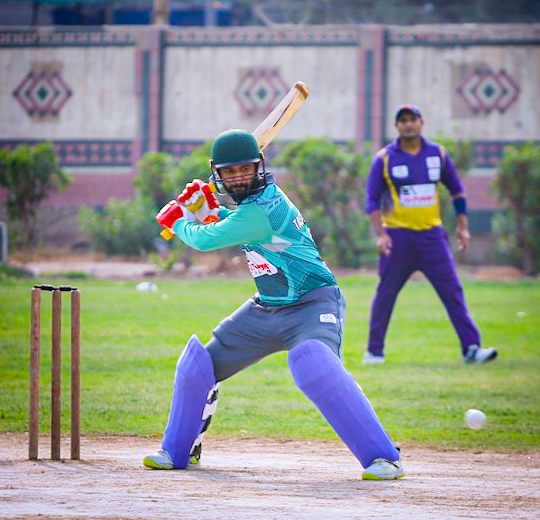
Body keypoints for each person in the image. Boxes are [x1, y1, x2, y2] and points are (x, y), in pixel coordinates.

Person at [144, 129, 405, 481]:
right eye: (230, 171)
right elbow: (234, 224)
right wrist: (211, 211)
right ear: (217, 174)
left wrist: (179, 220)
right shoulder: (251, 209)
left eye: (245, 169)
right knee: (198, 365)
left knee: (313, 363)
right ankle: (178, 450)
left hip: (313, 304)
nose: (239, 177)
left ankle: (384, 457)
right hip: (266, 309)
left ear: (260, 166)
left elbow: (207, 240)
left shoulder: (262, 210)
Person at [363, 105, 498, 365]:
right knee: (385, 294)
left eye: (412, 119)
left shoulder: (438, 154)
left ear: (421, 122)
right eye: (403, 120)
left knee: (452, 291)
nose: (408, 124)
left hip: (432, 239)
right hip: (398, 239)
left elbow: (457, 192)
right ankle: (374, 352)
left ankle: (472, 348)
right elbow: (371, 201)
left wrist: (463, 227)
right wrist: (380, 234)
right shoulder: (385, 158)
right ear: (397, 126)